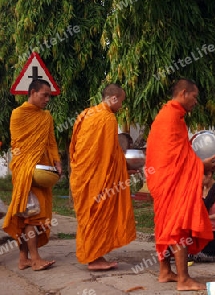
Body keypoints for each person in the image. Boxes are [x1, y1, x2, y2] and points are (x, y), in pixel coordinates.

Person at [145, 78, 215, 291]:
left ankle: (164, 271)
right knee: (177, 228)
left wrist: (200, 164)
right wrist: (202, 165)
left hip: (163, 181)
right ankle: (183, 279)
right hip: (170, 182)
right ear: (184, 93)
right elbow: (175, 159)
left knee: (165, 225)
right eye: (195, 97)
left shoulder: (168, 115)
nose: (196, 102)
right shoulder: (171, 118)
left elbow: (178, 154)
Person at [69, 83, 136, 270]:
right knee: (98, 214)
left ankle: (95, 255)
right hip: (98, 178)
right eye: (121, 101)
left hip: (82, 175)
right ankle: (94, 259)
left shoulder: (85, 114)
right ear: (114, 98)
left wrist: (122, 170)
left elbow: (74, 147)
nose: (121, 106)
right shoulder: (107, 119)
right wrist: (122, 169)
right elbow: (109, 156)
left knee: (89, 216)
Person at [3, 79, 62, 271]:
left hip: (42, 172)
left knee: (26, 215)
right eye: (44, 95)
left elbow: (51, 143)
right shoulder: (17, 114)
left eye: (49, 96)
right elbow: (19, 145)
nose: (47, 99)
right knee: (31, 216)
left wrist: (57, 161)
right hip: (25, 172)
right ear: (32, 92)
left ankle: (23, 258)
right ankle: (35, 259)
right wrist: (30, 166)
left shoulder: (47, 117)